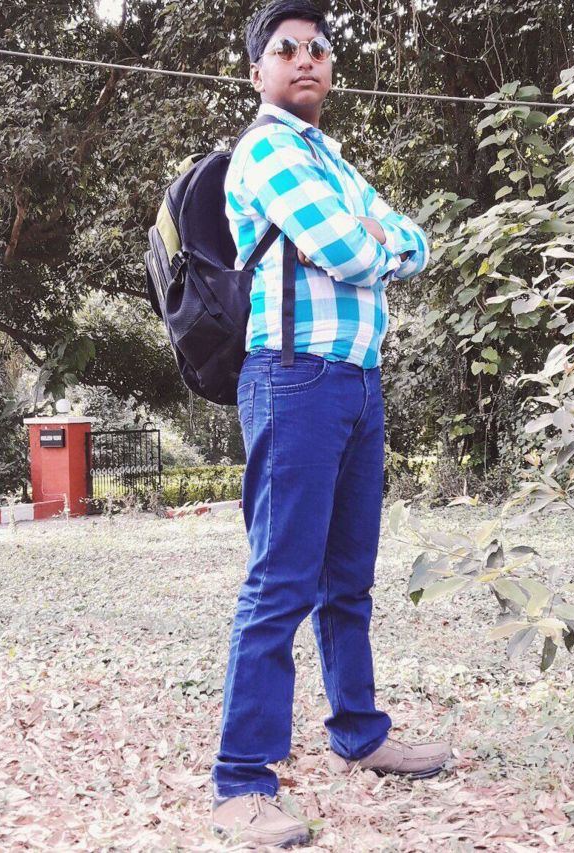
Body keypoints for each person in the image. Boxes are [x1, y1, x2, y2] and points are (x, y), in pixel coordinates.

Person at [211, 1, 451, 846]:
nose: (305, 57)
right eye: (285, 48)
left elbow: (416, 241)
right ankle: (242, 781)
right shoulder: (267, 150)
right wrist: (375, 241)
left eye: (318, 47)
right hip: (293, 378)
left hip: (357, 379)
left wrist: (376, 237)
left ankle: (359, 731)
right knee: (281, 580)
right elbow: (357, 250)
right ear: (259, 72)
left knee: (348, 577)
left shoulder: (332, 160)